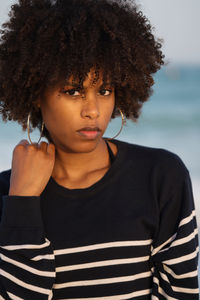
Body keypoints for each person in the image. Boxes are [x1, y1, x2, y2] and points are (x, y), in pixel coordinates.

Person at [0, 0, 199, 298]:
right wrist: (23, 202)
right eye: (73, 91)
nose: (93, 110)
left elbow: (180, 294)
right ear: (34, 95)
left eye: (104, 90)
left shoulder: (161, 177)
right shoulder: (8, 196)